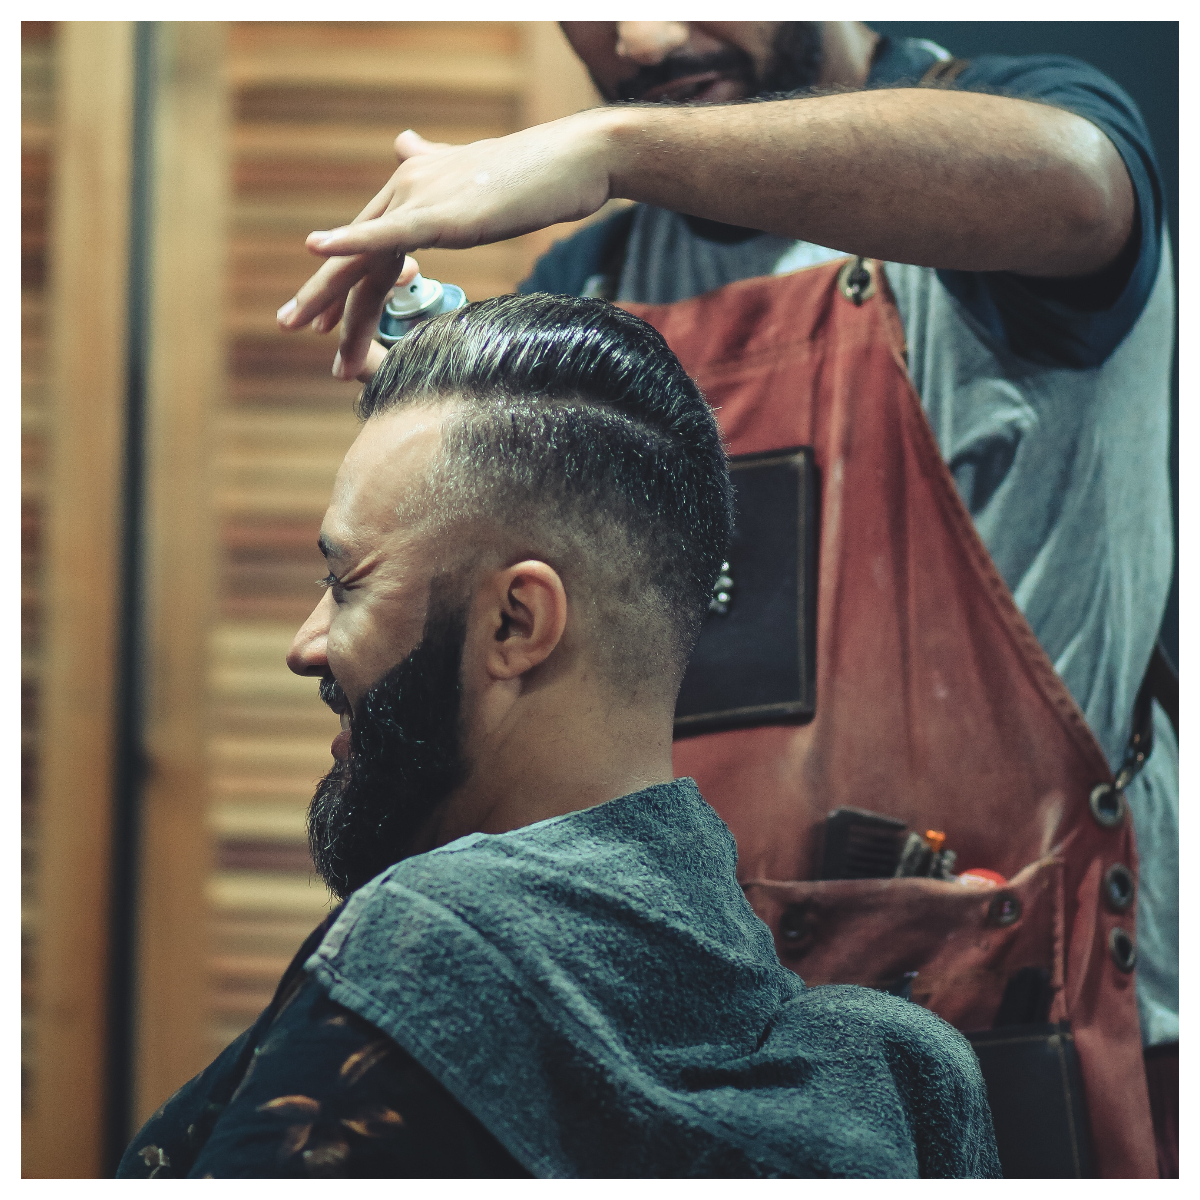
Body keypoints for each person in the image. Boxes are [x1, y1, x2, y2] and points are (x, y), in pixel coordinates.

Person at [274, 23, 1175, 1177]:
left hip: (1044, 1031)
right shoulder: (594, 291)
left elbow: (1085, 186)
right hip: (713, 1052)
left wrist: (621, 146)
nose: (645, 35)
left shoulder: (1013, 148)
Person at [118, 295, 1001, 1179]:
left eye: (347, 583)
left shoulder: (432, 949)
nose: (304, 645)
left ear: (515, 621)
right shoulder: (901, 1080)